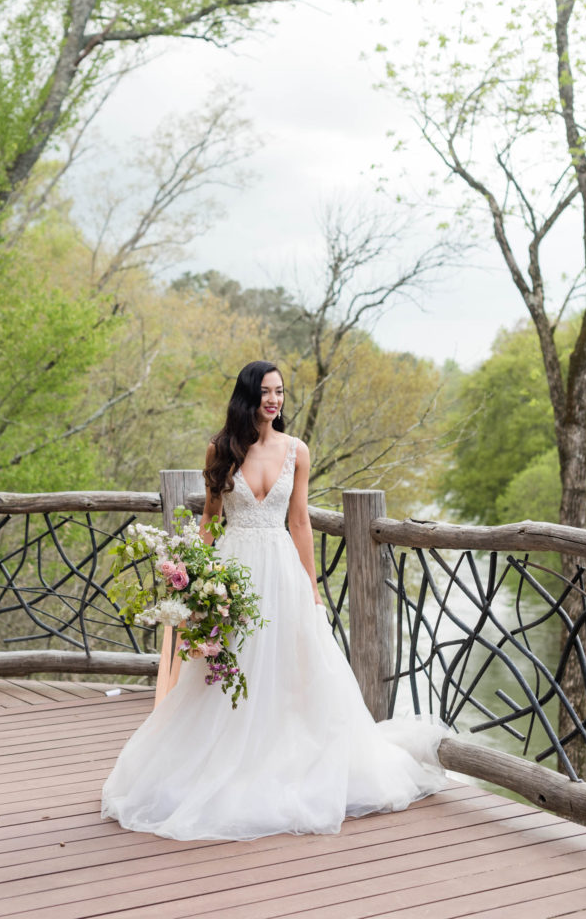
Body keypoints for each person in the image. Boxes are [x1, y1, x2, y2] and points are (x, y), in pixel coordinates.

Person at [101, 360, 448, 841]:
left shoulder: (296, 450)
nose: (275, 400)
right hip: (232, 572)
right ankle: (226, 763)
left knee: (292, 667)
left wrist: (310, 583)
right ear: (248, 396)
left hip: (281, 571)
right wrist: (193, 582)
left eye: (280, 392)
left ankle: (287, 759)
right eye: (266, 392)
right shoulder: (220, 449)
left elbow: (300, 521)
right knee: (230, 668)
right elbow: (210, 520)